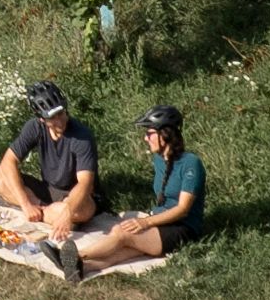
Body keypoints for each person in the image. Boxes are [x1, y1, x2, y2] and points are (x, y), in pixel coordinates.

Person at [41, 106, 207, 279]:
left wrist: (146, 222)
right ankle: (83, 269)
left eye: (149, 133)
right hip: (161, 221)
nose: (145, 138)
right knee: (127, 249)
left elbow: (182, 210)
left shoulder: (191, 163)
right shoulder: (159, 159)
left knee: (121, 233)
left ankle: (75, 256)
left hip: (183, 229)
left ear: (165, 134)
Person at [0, 82, 97, 242]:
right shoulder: (34, 127)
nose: (59, 121)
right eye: (52, 118)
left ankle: (48, 214)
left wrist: (67, 212)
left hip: (72, 195)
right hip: (46, 190)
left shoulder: (82, 136)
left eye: (61, 114)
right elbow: (8, 161)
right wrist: (26, 204)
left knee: (84, 210)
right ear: (41, 119)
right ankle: (44, 212)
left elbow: (85, 183)